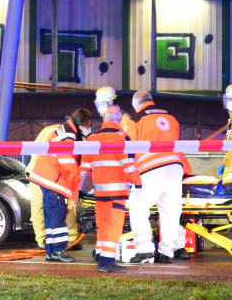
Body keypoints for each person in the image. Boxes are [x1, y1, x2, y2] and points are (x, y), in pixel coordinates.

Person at [124, 90, 189, 264]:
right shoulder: (171, 118)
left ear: (136, 105)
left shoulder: (136, 120)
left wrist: (130, 173)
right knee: (170, 211)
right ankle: (166, 252)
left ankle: (145, 250)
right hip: (175, 168)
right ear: (151, 101)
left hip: (150, 169)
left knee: (138, 207)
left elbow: (129, 147)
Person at [28, 108, 93, 263]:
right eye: (89, 125)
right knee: (58, 216)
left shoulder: (63, 131)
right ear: (82, 124)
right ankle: (58, 250)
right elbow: (67, 161)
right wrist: (77, 175)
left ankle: (50, 250)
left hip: (46, 178)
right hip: (54, 181)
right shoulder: (69, 136)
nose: (89, 129)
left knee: (50, 217)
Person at [84, 101, 141, 272]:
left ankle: (101, 254)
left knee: (103, 224)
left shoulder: (92, 139)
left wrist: (80, 191)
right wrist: (138, 183)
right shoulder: (122, 137)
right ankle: (107, 262)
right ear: (119, 119)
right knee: (114, 225)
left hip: (100, 192)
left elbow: (85, 167)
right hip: (117, 191)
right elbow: (129, 165)